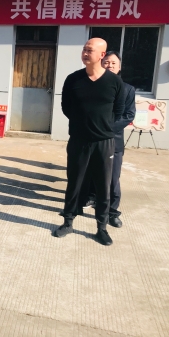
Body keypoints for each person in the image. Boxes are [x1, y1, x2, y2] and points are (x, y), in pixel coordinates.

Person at [55, 38, 125, 246]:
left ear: (102, 55)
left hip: (104, 142)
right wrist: (82, 125)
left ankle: (101, 228)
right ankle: (68, 221)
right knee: (74, 183)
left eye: (90, 50)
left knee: (103, 186)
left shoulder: (114, 82)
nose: (85, 53)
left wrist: (102, 127)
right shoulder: (73, 79)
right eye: (84, 49)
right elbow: (66, 107)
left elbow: (119, 110)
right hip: (79, 140)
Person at [78, 51, 136, 228]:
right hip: (90, 139)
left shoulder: (127, 89)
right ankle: (89, 198)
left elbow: (128, 115)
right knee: (88, 173)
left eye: (113, 63)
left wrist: (105, 129)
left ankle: (112, 212)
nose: (109, 65)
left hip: (112, 141)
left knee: (112, 178)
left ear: (119, 67)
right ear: (100, 64)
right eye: (106, 62)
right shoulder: (91, 85)